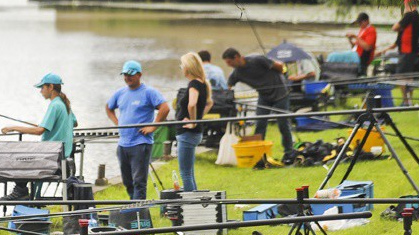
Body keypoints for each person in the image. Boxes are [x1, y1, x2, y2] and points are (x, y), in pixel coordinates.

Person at [0, 73, 77, 201]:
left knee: (18, 159)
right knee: (23, 156)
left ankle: (21, 191)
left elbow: (39, 131)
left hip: (51, 157)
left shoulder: (54, 105)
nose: (41, 91)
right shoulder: (64, 104)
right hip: (62, 154)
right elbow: (74, 122)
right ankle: (23, 191)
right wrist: (51, 124)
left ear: (50, 87)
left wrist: (13, 127)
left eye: (42, 88)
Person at [106, 60, 170, 200]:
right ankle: (133, 206)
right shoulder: (120, 93)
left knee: (139, 181)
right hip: (123, 144)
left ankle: (139, 211)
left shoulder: (149, 92)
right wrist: (117, 123)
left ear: (140, 75)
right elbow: (109, 107)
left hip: (140, 143)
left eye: (130, 75)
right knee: (127, 181)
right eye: (125, 75)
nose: (127, 77)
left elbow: (165, 108)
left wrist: (153, 126)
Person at [222, 48, 294, 154]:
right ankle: (258, 152)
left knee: (283, 123)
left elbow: (279, 67)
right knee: (260, 123)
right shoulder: (237, 73)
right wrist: (227, 95)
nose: (229, 65)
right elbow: (229, 85)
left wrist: (283, 69)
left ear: (236, 57)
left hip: (280, 93)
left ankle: (289, 151)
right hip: (264, 97)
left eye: (229, 62)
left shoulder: (258, 59)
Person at [176, 53, 213, 191]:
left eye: (182, 65)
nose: (181, 68)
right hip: (193, 134)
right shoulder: (203, 83)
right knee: (189, 173)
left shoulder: (193, 84)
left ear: (188, 67)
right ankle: (195, 203)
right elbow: (209, 103)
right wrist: (197, 118)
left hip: (187, 133)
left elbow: (192, 104)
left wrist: (193, 122)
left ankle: (190, 206)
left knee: (185, 173)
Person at [382, 0, 419, 106]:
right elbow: (401, 35)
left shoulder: (410, 15)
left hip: (407, 50)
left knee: (401, 75)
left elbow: (395, 28)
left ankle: (406, 101)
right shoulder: (416, 15)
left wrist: (403, 15)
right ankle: (408, 100)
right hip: (407, 50)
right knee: (408, 76)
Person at [345, 12, 377, 76]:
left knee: (335, 56)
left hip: (363, 57)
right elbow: (355, 46)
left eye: (360, 22)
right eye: (358, 23)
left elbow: (367, 47)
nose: (359, 24)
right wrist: (350, 39)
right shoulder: (362, 29)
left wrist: (355, 37)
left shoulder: (371, 30)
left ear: (366, 21)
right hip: (356, 55)